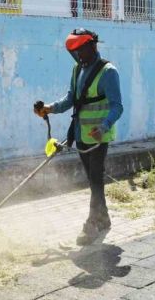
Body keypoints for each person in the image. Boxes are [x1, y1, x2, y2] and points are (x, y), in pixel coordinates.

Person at [34, 29, 123, 245]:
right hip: (81, 134)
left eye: (81, 50)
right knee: (94, 181)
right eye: (74, 52)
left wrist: (103, 127)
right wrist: (49, 108)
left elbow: (117, 107)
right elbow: (70, 99)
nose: (78, 55)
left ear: (92, 46)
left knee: (95, 178)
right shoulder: (77, 70)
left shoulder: (108, 72)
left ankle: (93, 223)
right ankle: (104, 218)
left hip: (99, 137)